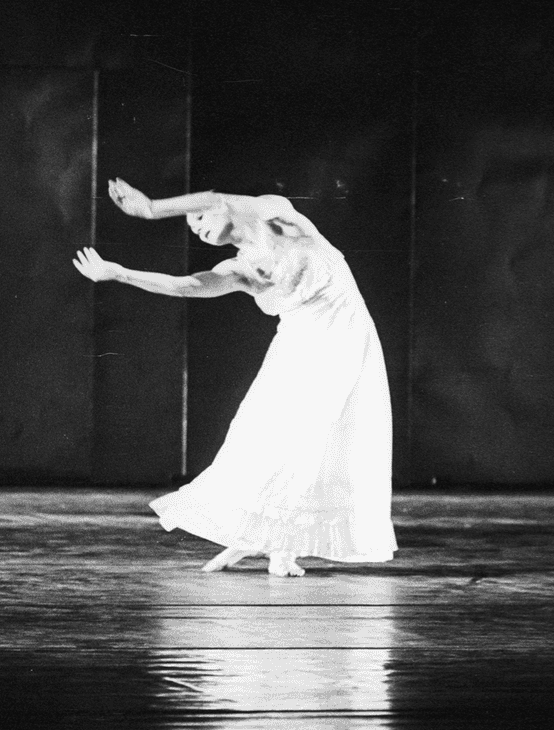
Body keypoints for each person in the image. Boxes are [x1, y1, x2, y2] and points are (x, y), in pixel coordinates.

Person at [72, 178, 396, 576]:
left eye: (200, 217)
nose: (197, 225)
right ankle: (253, 538)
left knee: (318, 437)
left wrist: (153, 208)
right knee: (262, 436)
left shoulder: (276, 217)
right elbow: (187, 286)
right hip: (296, 344)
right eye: (192, 224)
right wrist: (120, 273)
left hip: (342, 335)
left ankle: (283, 547)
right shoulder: (238, 268)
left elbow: (217, 198)